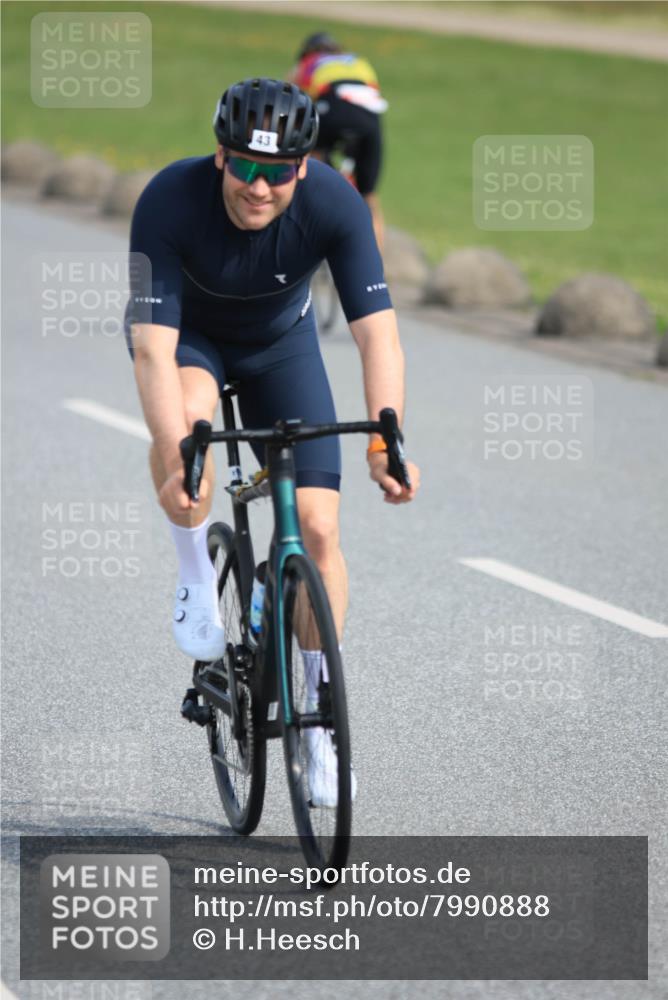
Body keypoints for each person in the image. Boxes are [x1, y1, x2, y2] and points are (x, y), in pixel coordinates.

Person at [125, 77, 419, 806]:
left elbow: (377, 335)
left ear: (303, 167)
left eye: (279, 172)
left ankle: (321, 728)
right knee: (187, 432)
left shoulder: (334, 204)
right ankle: (196, 580)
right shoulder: (166, 200)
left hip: (279, 348)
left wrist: (387, 440)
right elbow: (152, 354)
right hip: (189, 341)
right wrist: (180, 453)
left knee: (319, 529)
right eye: (246, 168)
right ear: (220, 158)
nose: (260, 188)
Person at [290, 32, 388, 250]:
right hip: (369, 122)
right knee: (369, 196)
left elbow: (291, 98)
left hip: (331, 114)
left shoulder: (309, 62)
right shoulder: (358, 61)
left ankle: (307, 232)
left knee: (310, 170)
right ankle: (377, 260)